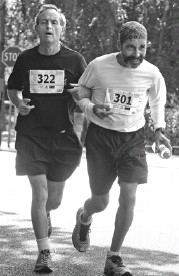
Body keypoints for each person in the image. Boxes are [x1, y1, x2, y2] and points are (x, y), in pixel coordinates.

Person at [68, 21, 172, 276]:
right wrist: (92, 107)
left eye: (141, 47)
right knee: (101, 201)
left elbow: (158, 103)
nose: (136, 54)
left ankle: (113, 258)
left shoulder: (151, 73)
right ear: (119, 45)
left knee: (129, 195)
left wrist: (159, 131)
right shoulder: (99, 66)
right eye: (130, 47)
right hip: (101, 138)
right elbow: (79, 93)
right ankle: (84, 216)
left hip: (133, 138)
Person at [7, 4, 87, 274]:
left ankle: (50, 214)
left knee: (53, 200)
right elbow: (12, 88)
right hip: (31, 135)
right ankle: (44, 252)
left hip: (63, 138)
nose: (49, 26)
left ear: (62, 27)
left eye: (54, 22)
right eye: (44, 22)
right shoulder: (26, 59)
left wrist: (80, 96)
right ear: (37, 28)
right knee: (38, 193)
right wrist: (19, 103)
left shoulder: (75, 60)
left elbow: (86, 93)